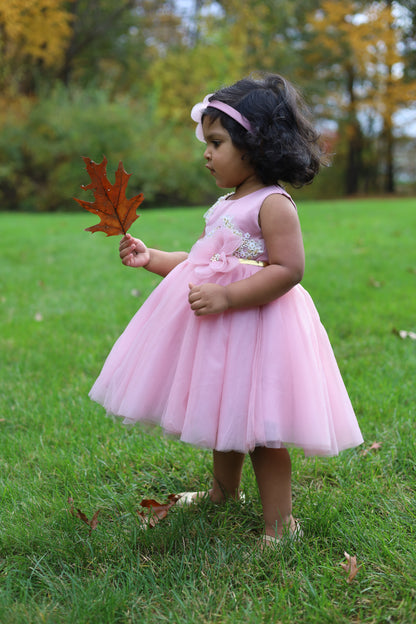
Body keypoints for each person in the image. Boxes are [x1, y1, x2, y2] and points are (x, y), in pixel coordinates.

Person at [89, 73, 363, 546]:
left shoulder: (273, 204)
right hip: (222, 333)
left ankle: (281, 524)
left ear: (254, 145)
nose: (207, 153)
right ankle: (224, 493)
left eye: (216, 142)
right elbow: (199, 262)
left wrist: (230, 296)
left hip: (261, 327)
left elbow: (289, 269)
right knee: (226, 412)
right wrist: (152, 258)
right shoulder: (225, 204)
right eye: (207, 142)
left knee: (263, 431)